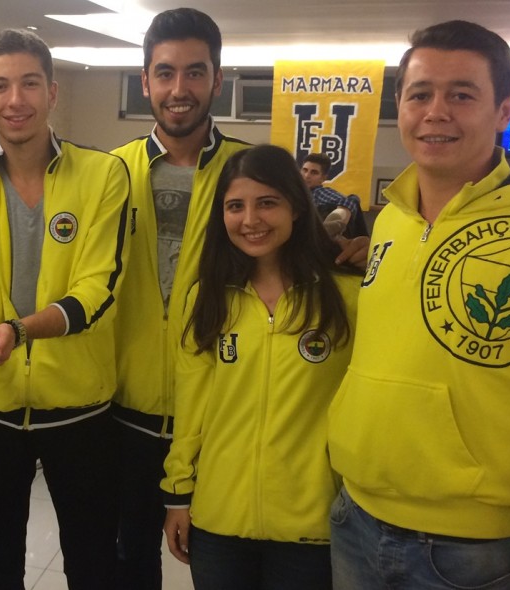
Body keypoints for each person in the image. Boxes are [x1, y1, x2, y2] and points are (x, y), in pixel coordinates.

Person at [327, 20, 510, 590]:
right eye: (420, 94)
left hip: (476, 548)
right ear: (401, 106)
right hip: (356, 516)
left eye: (461, 95)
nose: (436, 112)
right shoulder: (391, 219)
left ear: (504, 110)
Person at [0, 29, 130, 590]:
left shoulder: (102, 175)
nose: (15, 100)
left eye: (29, 84)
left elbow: (97, 290)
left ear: (52, 93)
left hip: (80, 410)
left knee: (93, 564)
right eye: (0, 86)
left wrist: (17, 331)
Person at [161, 145, 360, 589]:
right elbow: (191, 406)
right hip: (218, 521)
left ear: (296, 207)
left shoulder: (346, 296)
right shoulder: (208, 297)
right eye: (235, 206)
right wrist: (177, 494)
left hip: (314, 524)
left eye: (267, 202)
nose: (250, 219)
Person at [107, 9, 250, 589]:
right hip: (123, 410)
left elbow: (295, 263)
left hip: (221, 413)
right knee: (127, 565)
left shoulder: (248, 171)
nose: (179, 88)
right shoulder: (109, 173)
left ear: (218, 79)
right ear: (145, 81)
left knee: (220, 570)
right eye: (165, 73)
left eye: (195, 72)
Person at [300, 153, 367, 238]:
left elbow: (351, 200)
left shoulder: (319, 192)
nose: (307, 176)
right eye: (305, 170)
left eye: (314, 173)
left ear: (323, 178)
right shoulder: (294, 192)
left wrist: (341, 213)